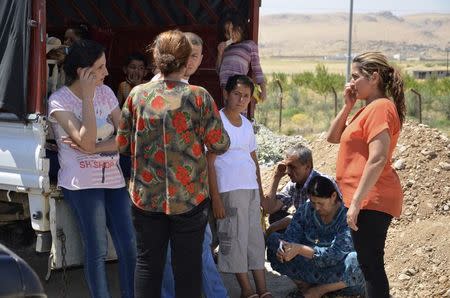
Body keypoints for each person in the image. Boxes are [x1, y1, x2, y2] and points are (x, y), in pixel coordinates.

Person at [116, 29, 230, 298]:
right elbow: (220, 143)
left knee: (147, 265)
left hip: (145, 200)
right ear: (184, 59)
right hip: (188, 199)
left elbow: (122, 144)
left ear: (156, 58)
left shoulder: (137, 95)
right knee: (187, 268)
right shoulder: (199, 96)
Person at [48, 40, 136, 298]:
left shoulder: (108, 93)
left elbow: (127, 138)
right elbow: (87, 139)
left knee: (129, 245)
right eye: (100, 67)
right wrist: (87, 97)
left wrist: (96, 148)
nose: (106, 73)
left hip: (113, 179)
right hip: (81, 183)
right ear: (83, 72)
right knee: (96, 248)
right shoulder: (58, 101)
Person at [326, 52, 405, 298]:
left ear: (374, 77)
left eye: (355, 77)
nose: (350, 83)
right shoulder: (366, 109)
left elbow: (378, 158)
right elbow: (332, 137)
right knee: (369, 265)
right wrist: (348, 105)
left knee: (371, 267)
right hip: (366, 199)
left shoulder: (381, 108)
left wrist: (357, 201)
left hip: (373, 198)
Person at [160, 32, 229, 298]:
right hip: (174, 188)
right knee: (173, 251)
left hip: (185, 188)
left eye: (197, 56)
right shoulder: (170, 90)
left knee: (196, 248)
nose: (191, 61)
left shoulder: (190, 91)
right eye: (187, 55)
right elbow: (219, 140)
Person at [207, 75, 272, 298]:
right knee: (234, 239)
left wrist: (261, 195)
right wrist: (215, 198)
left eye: (246, 96)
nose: (242, 99)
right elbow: (209, 162)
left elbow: (253, 160)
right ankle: (247, 291)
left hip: (251, 191)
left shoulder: (247, 124)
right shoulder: (218, 122)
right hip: (229, 191)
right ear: (226, 93)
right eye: (237, 94)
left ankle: (263, 291)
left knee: (254, 239)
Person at [266, 175, 365, 298]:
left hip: (339, 273)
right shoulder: (307, 209)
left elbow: (333, 256)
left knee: (357, 259)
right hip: (312, 267)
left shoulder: (346, 216)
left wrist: (299, 249)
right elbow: (291, 235)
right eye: (313, 203)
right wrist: (285, 248)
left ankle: (320, 291)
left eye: (321, 203)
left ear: (333, 196)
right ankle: (305, 287)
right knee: (273, 241)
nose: (317, 207)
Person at [261, 145, 322, 236]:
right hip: (306, 228)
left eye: (292, 167)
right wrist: (276, 177)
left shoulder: (320, 183)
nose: (288, 172)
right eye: (287, 167)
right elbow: (270, 208)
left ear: (307, 167)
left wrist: (272, 228)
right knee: (276, 216)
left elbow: (305, 217)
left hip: (321, 232)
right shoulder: (293, 185)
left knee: (276, 231)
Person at [216, 10, 266, 118]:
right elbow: (218, 70)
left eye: (233, 30)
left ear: (241, 28)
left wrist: (263, 88)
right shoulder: (226, 48)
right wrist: (220, 54)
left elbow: (256, 68)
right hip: (225, 89)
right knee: (225, 116)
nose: (230, 35)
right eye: (227, 32)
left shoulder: (249, 45)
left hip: (239, 88)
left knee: (238, 113)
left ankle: (242, 132)